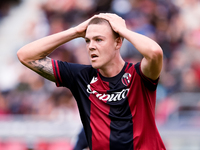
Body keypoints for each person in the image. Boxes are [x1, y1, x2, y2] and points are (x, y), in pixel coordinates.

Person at [17, 13, 166, 150]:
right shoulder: (81, 77)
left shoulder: (138, 75)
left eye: (99, 40)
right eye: (87, 40)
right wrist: (75, 32)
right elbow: (26, 56)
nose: (91, 46)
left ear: (118, 42)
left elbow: (154, 52)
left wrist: (122, 30)